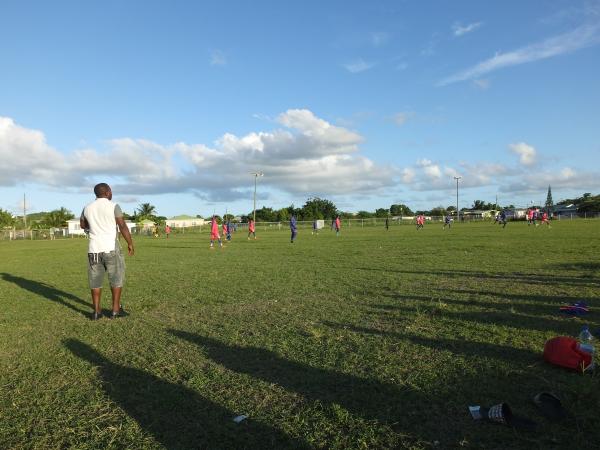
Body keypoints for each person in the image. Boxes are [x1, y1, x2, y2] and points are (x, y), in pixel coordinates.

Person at [80, 183, 134, 320]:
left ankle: (97, 312)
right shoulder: (113, 206)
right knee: (116, 278)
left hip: (94, 249)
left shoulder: (87, 207)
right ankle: (115, 310)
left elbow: (82, 224)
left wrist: (91, 227)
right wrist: (130, 243)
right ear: (108, 192)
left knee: (95, 281)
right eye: (111, 191)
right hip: (111, 247)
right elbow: (122, 225)